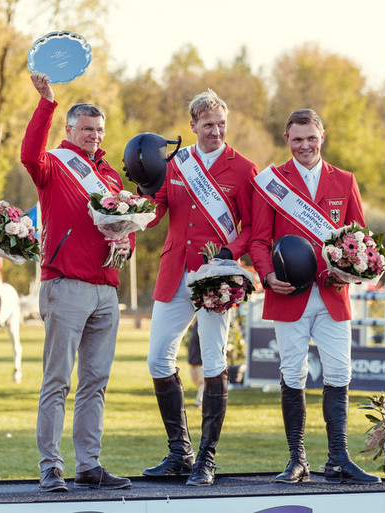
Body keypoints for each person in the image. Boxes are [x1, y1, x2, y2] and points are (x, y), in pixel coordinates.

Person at [248, 108, 381, 485]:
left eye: (311, 137)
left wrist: (354, 269)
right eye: (296, 139)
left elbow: (360, 239)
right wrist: (267, 274)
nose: (304, 145)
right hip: (288, 294)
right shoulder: (270, 182)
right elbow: (259, 239)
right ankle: (297, 460)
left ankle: (339, 458)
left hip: (333, 293)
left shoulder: (345, 180)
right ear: (286, 140)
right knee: (293, 373)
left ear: (321, 136)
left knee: (340, 372)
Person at [22, 72, 133, 492]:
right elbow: (29, 153)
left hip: (106, 288)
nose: (93, 135)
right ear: (70, 130)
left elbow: (127, 223)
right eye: (86, 128)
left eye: (99, 130)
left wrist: (127, 243)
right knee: (57, 381)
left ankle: (89, 464)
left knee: (95, 383)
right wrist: (46, 104)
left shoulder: (110, 177)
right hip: (66, 283)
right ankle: (51, 466)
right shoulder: (52, 163)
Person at [142, 89, 258, 486]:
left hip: (216, 278)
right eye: (208, 125)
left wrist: (230, 252)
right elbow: (158, 207)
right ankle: (180, 452)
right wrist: (131, 213)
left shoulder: (244, 168)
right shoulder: (176, 163)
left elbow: (254, 226)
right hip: (174, 271)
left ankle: (206, 458)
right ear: (192, 126)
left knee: (213, 362)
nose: (216, 131)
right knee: (158, 359)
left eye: (221, 124)